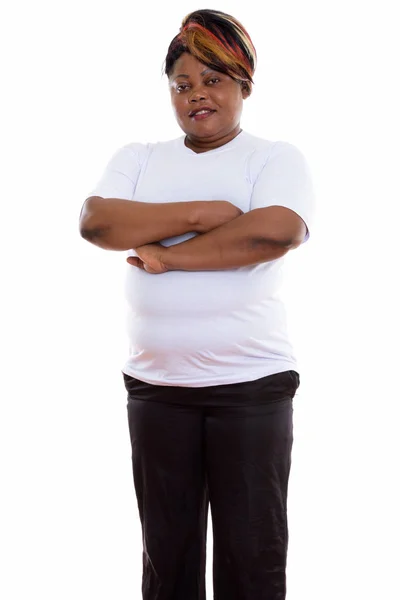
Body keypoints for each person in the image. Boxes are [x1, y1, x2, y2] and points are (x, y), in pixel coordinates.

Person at [79, 8, 315, 600]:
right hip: (157, 388)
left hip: (251, 388)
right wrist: (201, 212)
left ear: (243, 84)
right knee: (166, 558)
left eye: (212, 80)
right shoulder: (139, 156)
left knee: (252, 559)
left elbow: (273, 233)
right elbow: (98, 221)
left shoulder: (274, 157)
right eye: (183, 84)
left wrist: (165, 255)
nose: (197, 95)